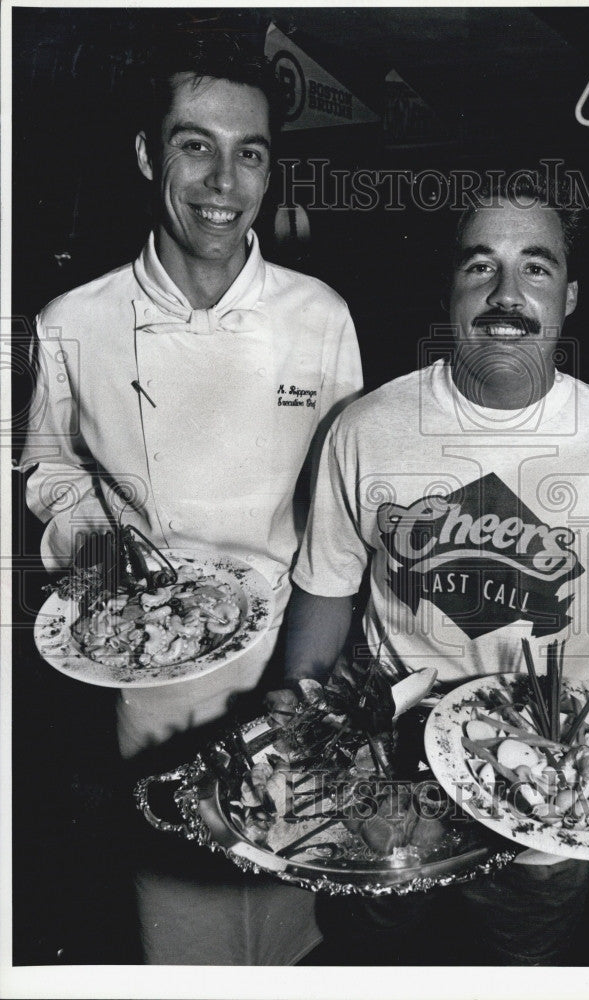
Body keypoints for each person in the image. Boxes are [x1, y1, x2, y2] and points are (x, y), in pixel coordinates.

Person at [284, 174, 589, 964]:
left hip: (546, 784)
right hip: (391, 772)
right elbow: (326, 586)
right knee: (375, 952)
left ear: (569, 296)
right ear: (450, 287)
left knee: (523, 956)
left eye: (534, 268)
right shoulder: (366, 429)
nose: (505, 294)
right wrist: (304, 716)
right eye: (481, 266)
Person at [20, 30, 362, 964]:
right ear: (146, 154)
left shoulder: (321, 315)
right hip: (149, 664)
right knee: (182, 915)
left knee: (296, 899)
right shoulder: (72, 322)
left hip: (294, 656)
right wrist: (95, 542)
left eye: (249, 152)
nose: (223, 180)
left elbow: (343, 501)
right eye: (194, 144)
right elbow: (47, 470)